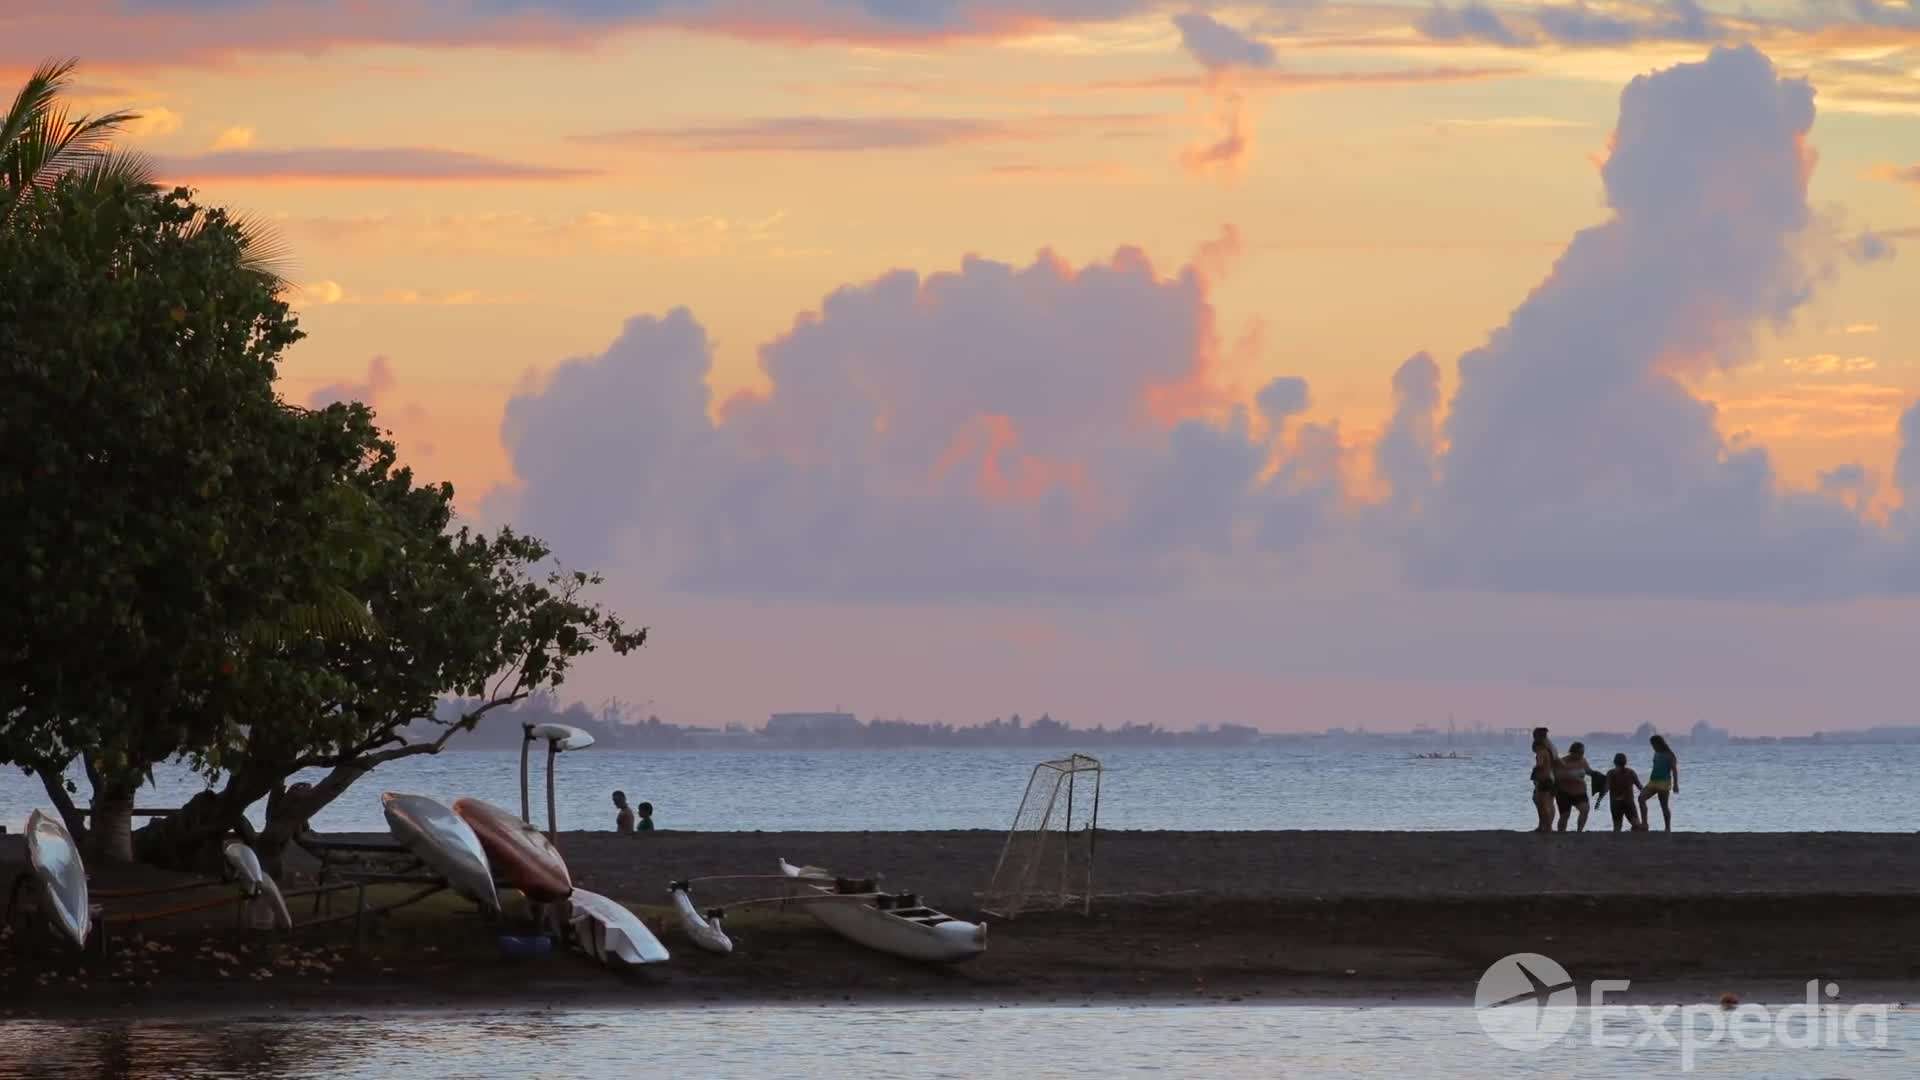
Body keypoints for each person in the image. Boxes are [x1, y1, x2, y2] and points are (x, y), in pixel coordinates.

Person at [1554, 741, 1604, 832]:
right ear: (1572, 752)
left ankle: (1579, 831)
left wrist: (1596, 774)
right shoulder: (1563, 762)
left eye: (1583, 753)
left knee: (1585, 810)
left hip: (1580, 792)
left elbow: (1588, 771)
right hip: (1564, 793)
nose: (1581, 755)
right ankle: (1560, 833)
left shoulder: (1583, 760)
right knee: (1565, 815)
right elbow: (1557, 776)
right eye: (1580, 753)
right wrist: (1571, 777)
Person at [1638, 734, 1679, 831]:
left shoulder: (1670, 755)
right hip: (1653, 782)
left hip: (1664, 783)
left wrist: (1676, 784)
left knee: (1664, 806)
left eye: (1653, 744)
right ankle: (1644, 824)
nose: (1653, 746)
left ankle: (1667, 828)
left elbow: (1674, 770)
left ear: (1659, 744)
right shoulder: (1656, 753)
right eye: (1652, 745)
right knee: (1641, 798)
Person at [1604, 752, 1643, 832]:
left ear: (1614, 762)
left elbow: (1606, 788)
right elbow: (1640, 787)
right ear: (1625, 762)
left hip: (1615, 802)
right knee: (1636, 824)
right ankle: (1633, 835)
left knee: (1617, 827)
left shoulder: (1610, 773)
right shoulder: (1631, 772)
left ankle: (1617, 841)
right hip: (1628, 802)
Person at [1530, 727, 1559, 833]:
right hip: (1551, 778)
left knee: (1542, 804)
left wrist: (1534, 770)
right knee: (1549, 803)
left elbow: (1540, 765)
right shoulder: (1551, 749)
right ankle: (1546, 826)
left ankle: (1547, 827)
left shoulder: (1541, 751)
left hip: (1543, 779)